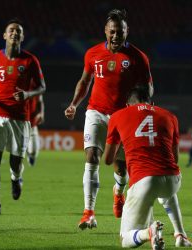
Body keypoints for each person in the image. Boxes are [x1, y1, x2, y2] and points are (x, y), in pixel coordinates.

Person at [64, 9, 153, 229]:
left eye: (120, 32)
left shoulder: (138, 58)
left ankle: (118, 192)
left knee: (121, 169)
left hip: (123, 116)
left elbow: (148, 87)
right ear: (105, 31)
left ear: (126, 32)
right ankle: (88, 212)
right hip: (96, 112)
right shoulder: (93, 54)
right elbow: (85, 81)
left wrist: (145, 106)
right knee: (92, 157)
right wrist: (74, 104)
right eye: (112, 32)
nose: (115, 36)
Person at [104, 85, 192, 249]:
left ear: (128, 105)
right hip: (173, 180)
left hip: (144, 181)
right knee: (165, 188)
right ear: (151, 102)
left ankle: (148, 233)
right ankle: (180, 234)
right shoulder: (170, 116)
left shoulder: (118, 116)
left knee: (125, 239)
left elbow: (108, 160)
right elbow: (176, 158)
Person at [0, 19, 46, 215]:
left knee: (15, 162)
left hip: (20, 118)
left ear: (22, 37)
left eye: (18, 31)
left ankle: (16, 179)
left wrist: (27, 94)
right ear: (5, 35)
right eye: (11, 30)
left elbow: (42, 87)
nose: (15, 33)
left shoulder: (31, 60)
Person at [27, 94, 44, 166]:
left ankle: (30, 154)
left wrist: (41, 114)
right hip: (20, 122)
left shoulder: (35, 85)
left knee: (33, 151)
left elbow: (40, 101)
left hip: (32, 123)